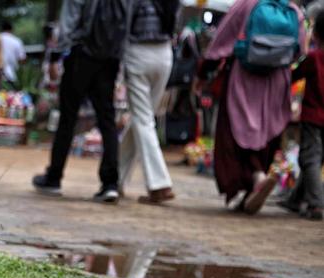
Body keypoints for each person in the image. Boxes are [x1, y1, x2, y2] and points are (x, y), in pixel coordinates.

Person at [194, 0, 305, 214]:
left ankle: (256, 178)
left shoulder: (245, 5)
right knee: (265, 135)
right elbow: (299, 51)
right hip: (276, 82)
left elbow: (219, 45)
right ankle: (255, 183)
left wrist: (202, 73)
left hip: (243, 78)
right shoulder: (293, 10)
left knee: (235, 132)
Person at [32, 0, 133, 202]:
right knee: (107, 119)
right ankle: (110, 183)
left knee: (67, 117)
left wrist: (55, 57)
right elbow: (128, 25)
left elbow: (69, 23)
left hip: (81, 56)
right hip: (110, 59)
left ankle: (54, 177)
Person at [119, 0, 180, 204]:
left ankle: (159, 184)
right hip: (164, 55)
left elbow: (123, 25)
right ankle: (116, 178)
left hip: (138, 53)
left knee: (143, 121)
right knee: (143, 120)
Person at [283, 11, 324, 220]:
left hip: (314, 117)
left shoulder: (314, 58)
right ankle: (295, 199)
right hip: (317, 117)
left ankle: (316, 204)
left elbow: (293, 75)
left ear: (316, 33)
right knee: (315, 159)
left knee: (310, 158)